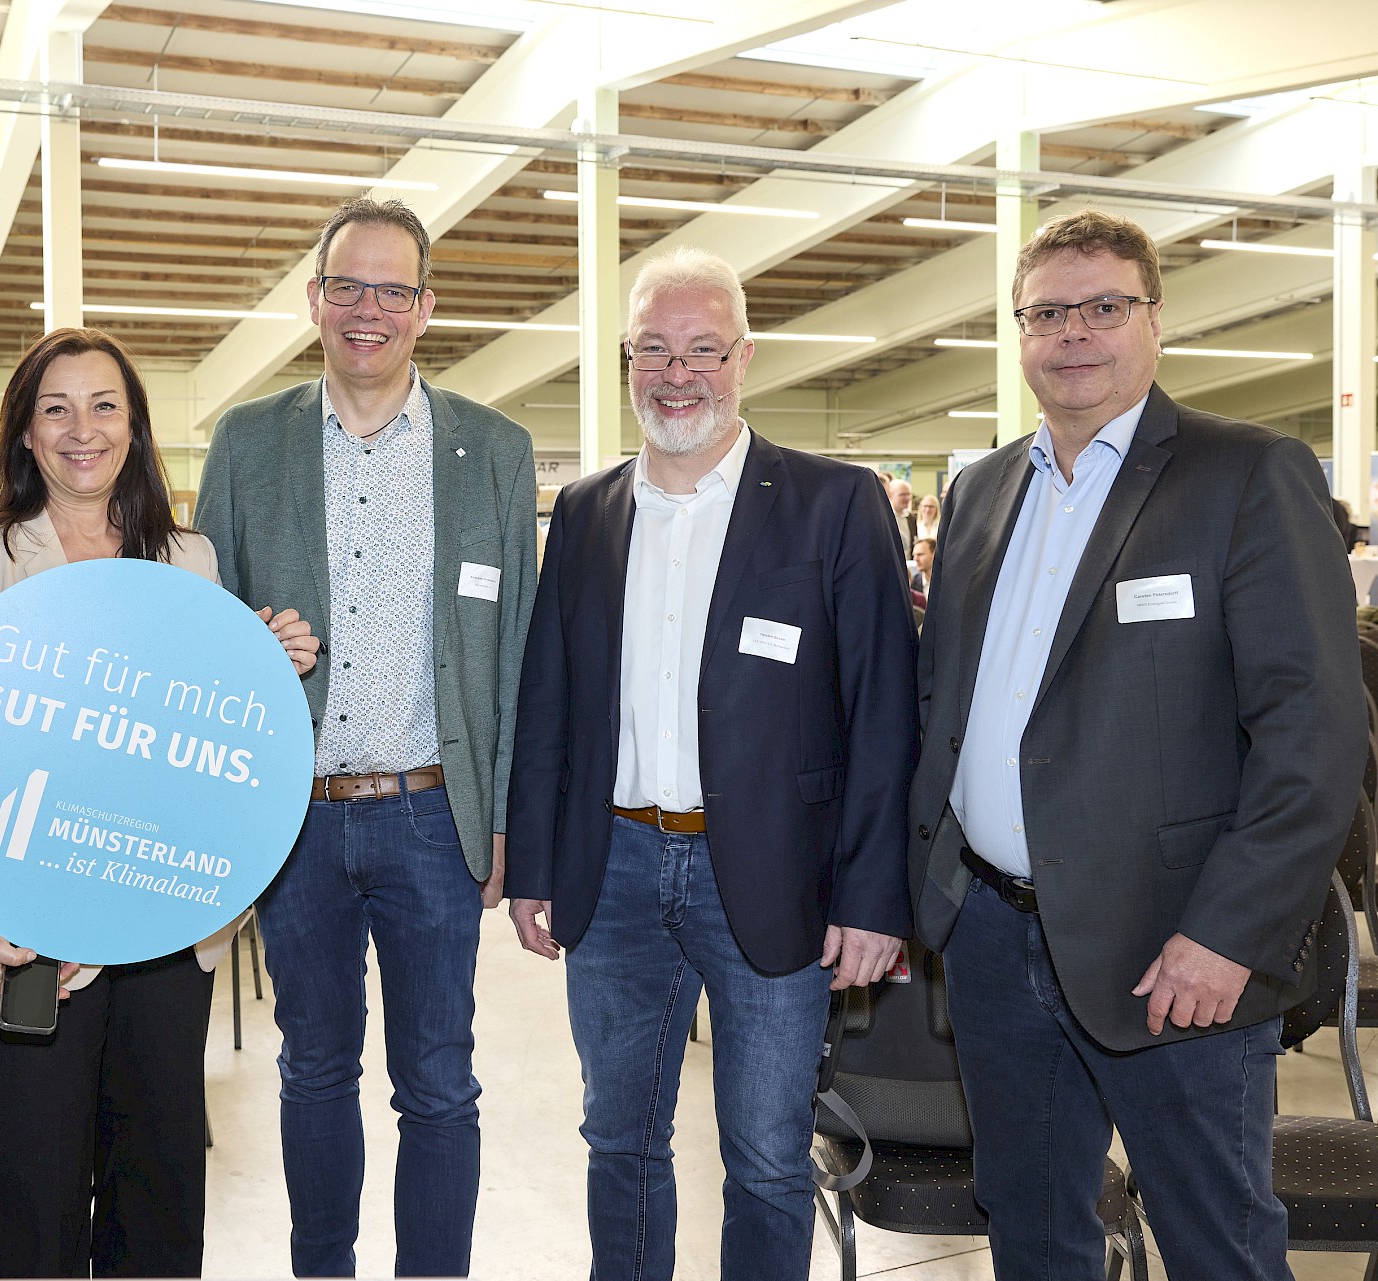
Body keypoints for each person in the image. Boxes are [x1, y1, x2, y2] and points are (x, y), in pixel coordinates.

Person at [910, 208, 1364, 1279]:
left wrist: (1230, 934)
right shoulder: (981, 491)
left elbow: (1314, 735)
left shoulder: (1245, 475)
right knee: (1032, 1235)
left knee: (1216, 1244)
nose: (1075, 332)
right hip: (992, 937)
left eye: (1104, 306)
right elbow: (947, 703)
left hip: (1174, 954)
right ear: (1020, 334)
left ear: (1155, 320)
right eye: (1047, 313)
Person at [506, 246, 919, 1281]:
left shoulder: (833, 503)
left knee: (769, 1159)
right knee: (619, 1142)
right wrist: (537, 868)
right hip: (615, 869)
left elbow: (884, 713)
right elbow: (550, 702)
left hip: (778, 873)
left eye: (702, 350)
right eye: (653, 350)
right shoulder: (587, 512)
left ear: (744, 357)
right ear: (626, 361)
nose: (676, 374)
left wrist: (873, 898)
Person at [0, 327, 319, 1278]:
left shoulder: (190, 561)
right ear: (25, 432)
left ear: (134, 427)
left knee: (159, 1188)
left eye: (104, 406)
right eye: (55, 408)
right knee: (32, 1191)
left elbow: (206, 740)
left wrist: (265, 667)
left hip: (162, 925)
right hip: (30, 935)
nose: (81, 429)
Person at [193, 196, 538, 1278]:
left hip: (435, 814)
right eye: (347, 286)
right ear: (314, 298)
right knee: (313, 1070)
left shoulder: (495, 451)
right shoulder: (249, 440)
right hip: (295, 818)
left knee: (438, 1082)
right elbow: (203, 628)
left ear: (427, 308)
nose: (368, 310)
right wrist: (248, 642)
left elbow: (516, 655)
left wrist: (507, 824)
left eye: (394, 289)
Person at [888, 477, 917, 554]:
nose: (907, 498)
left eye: (908, 494)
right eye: (902, 495)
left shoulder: (911, 518)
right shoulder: (886, 518)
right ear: (890, 496)